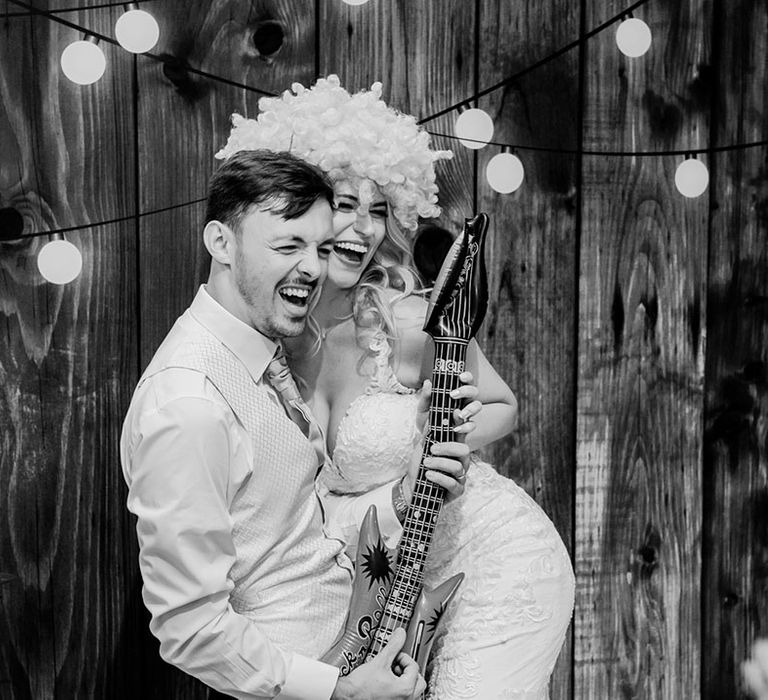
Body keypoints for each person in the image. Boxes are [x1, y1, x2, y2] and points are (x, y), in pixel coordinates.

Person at [215, 75, 576, 699]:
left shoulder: (404, 318)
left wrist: (437, 443)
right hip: (395, 590)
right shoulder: (269, 340)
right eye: (345, 204)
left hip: (493, 554)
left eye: (379, 208)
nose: (364, 227)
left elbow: (502, 406)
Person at [119, 149, 474, 700]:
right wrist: (340, 690)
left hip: (359, 648)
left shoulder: (261, 358)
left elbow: (296, 528)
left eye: (319, 246)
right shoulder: (188, 404)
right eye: (287, 245)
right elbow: (189, 625)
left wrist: (410, 488)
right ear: (221, 243)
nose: (312, 267)